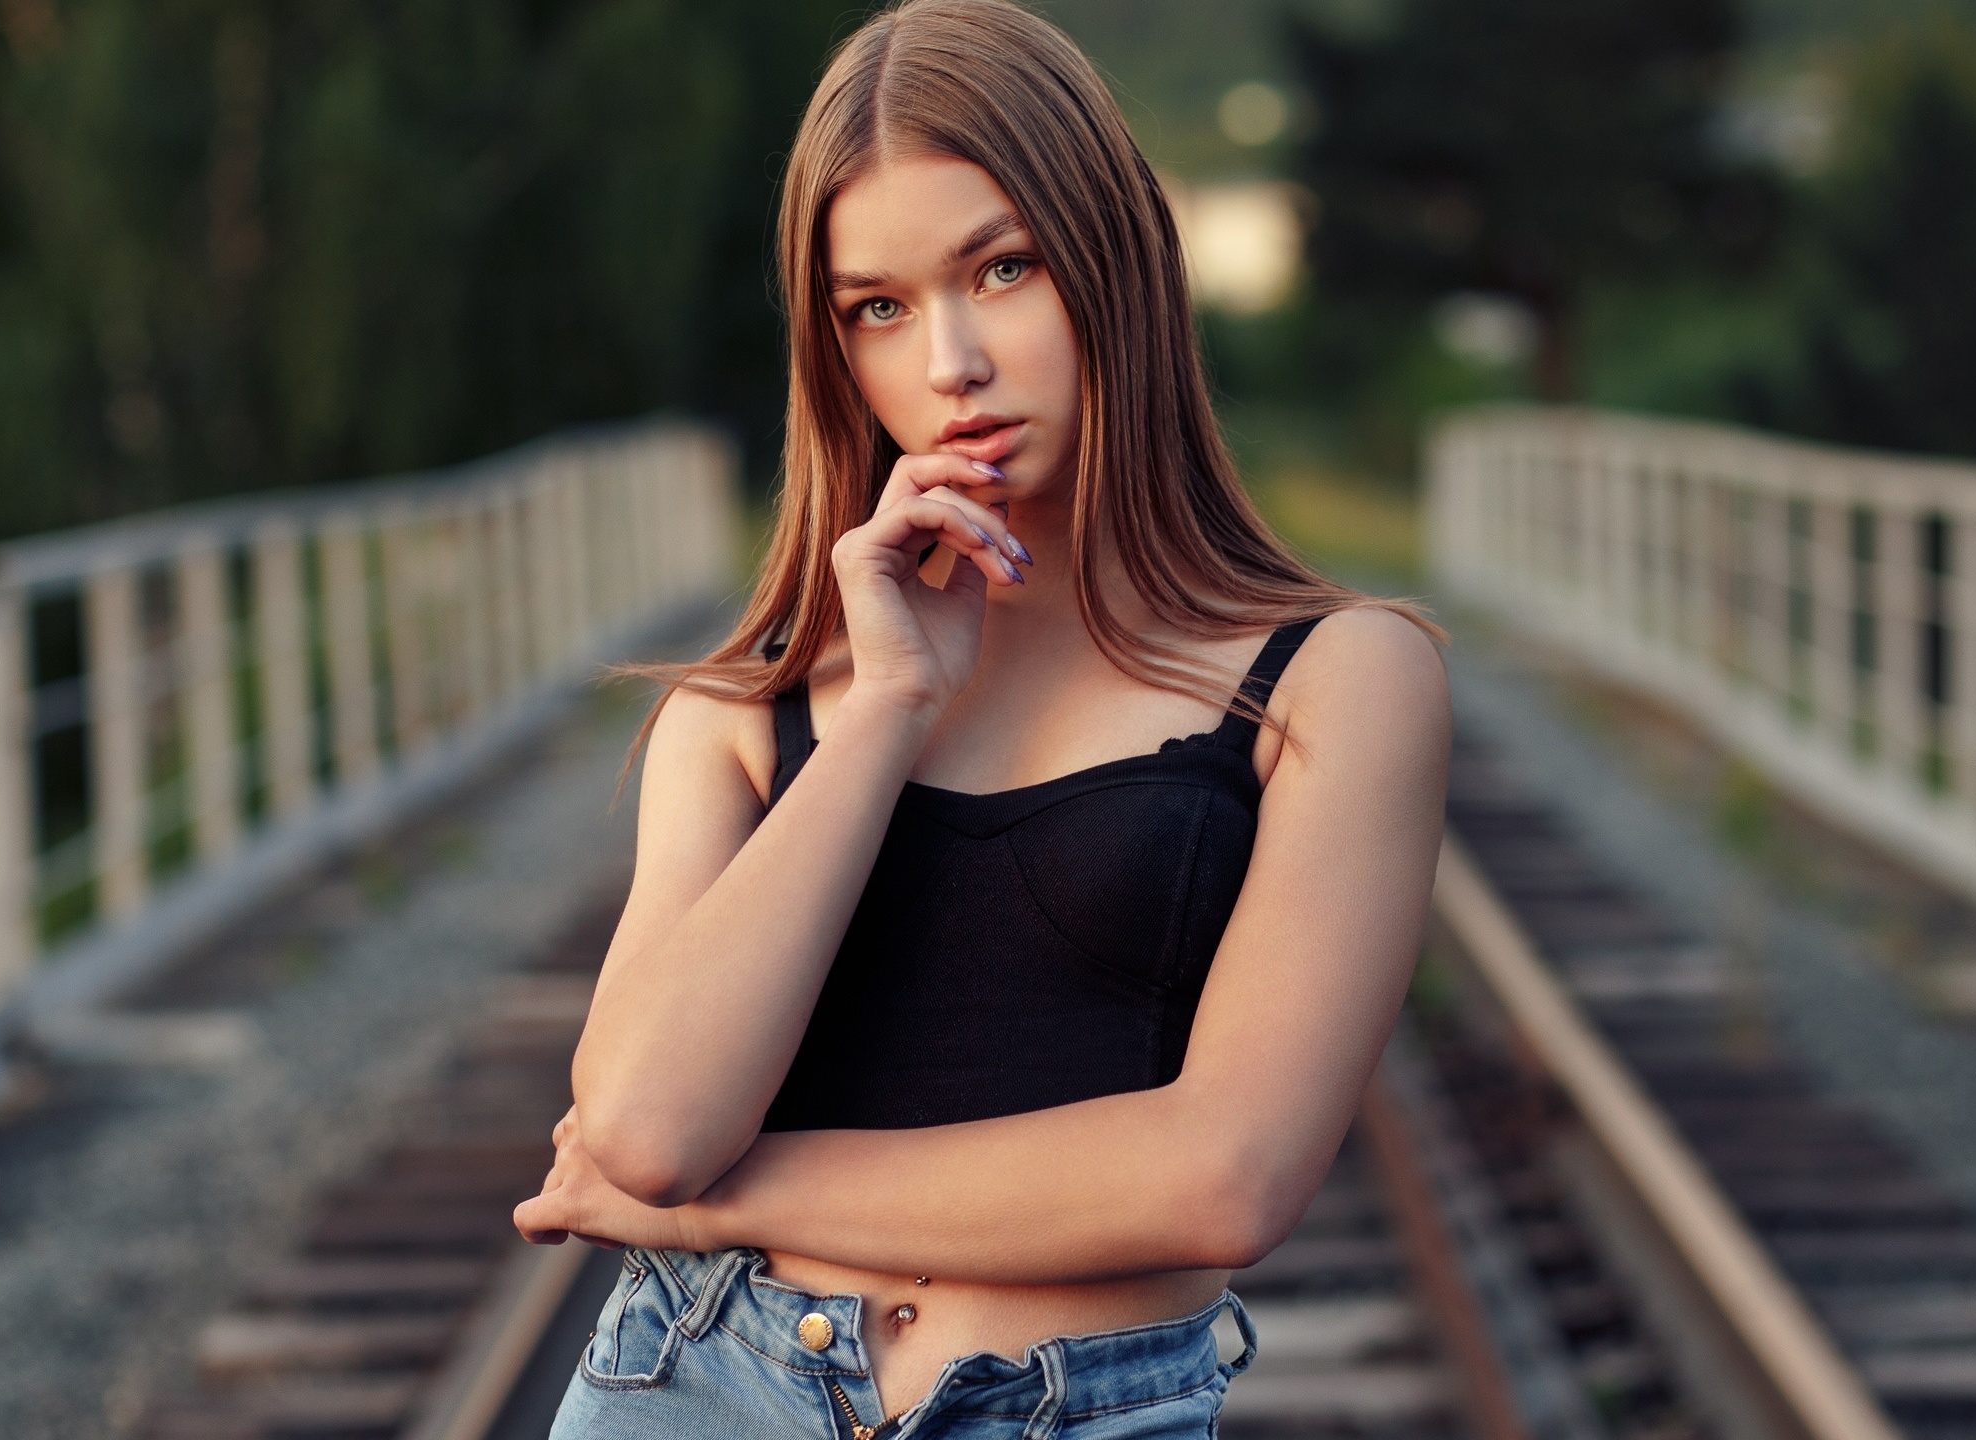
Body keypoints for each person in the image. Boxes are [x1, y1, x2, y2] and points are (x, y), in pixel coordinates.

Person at [513, 1, 1449, 1433]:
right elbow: (644, 1131)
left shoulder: (1333, 678)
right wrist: (888, 704)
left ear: (1116, 257)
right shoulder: (749, 709)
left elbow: (1226, 1176)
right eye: (876, 308)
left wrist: (726, 1204)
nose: (948, 362)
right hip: (696, 1386)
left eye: (999, 267)